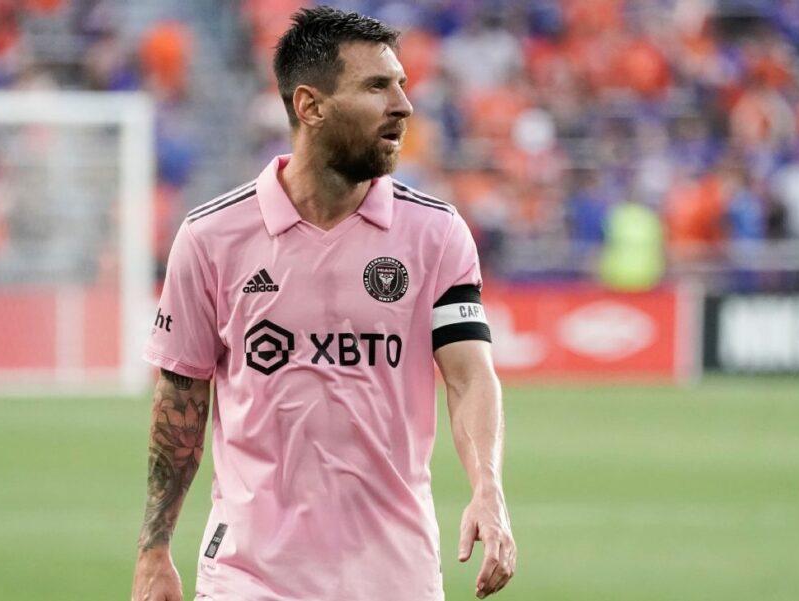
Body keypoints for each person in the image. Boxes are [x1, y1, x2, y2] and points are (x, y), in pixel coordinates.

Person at [130, 7, 516, 601]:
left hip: (396, 578)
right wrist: (154, 549)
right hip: (249, 579)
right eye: (377, 87)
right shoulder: (211, 238)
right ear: (310, 106)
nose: (403, 105)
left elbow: (470, 376)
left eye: (401, 85)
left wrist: (487, 488)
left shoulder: (436, 233)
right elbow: (180, 403)